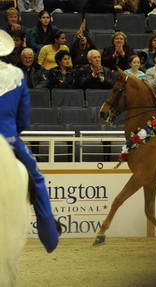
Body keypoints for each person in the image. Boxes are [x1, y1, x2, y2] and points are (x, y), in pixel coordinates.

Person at [0, 30, 59, 253]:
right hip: (9, 139)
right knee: (36, 178)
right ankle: (49, 234)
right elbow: (23, 118)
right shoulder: (17, 75)